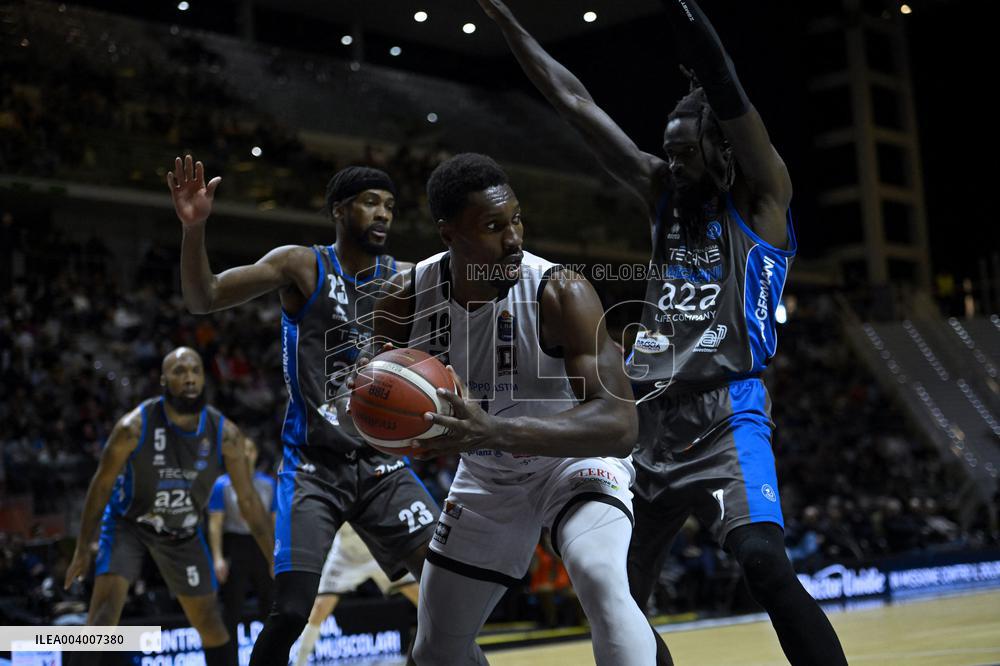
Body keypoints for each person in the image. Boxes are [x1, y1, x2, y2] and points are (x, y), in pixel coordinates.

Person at [476, 1, 847, 664]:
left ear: (719, 151)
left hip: (727, 411)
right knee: (617, 597)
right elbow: (575, 103)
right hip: (645, 420)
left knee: (762, 560)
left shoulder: (762, 198)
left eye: (684, 154)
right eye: (667, 152)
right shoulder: (662, 195)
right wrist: (508, 23)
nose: (672, 164)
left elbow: (728, 88)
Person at [369, 153, 655, 665]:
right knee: (436, 649)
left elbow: (620, 425)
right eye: (494, 226)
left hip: (574, 462)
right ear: (448, 234)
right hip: (488, 477)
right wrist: (394, 427)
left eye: (517, 219)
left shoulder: (560, 291)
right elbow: (377, 403)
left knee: (599, 577)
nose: (514, 239)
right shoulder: (403, 298)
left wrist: (494, 431)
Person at [166, 154, 439, 665]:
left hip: (381, 465)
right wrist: (194, 228)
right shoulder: (302, 264)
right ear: (340, 210)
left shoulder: (405, 279)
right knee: (291, 611)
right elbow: (203, 298)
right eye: (370, 203)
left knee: (450, 592)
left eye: (390, 206)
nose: (383, 214)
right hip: (314, 466)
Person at [63, 347, 273, 666]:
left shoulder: (225, 434)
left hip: (182, 532)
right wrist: (81, 547)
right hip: (129, 524)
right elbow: (101, 484)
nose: (189, 377)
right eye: (179, 371)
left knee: (211, 624)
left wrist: (273, 555)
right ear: (163, 380)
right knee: (102, 619)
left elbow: (248, 501)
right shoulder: (132, 427)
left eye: (195, 371)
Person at [292, 522, 419, 666]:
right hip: (345, 555)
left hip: (379, 549)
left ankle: (443, 648)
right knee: (319, 608)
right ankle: (299, 662)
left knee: (422, 599)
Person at [207, 436, 277, 652]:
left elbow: (273, 521)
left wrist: (275, 555)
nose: (247, 454)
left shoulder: (268, 483)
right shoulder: (222, 484)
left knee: (270, 607)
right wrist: (217, 558)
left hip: (262, 546)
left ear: (256, 454)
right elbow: (215, 523)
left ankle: (271, 658)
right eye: (243, 450)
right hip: (235, 545)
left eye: (251, 450)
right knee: (231, 610)